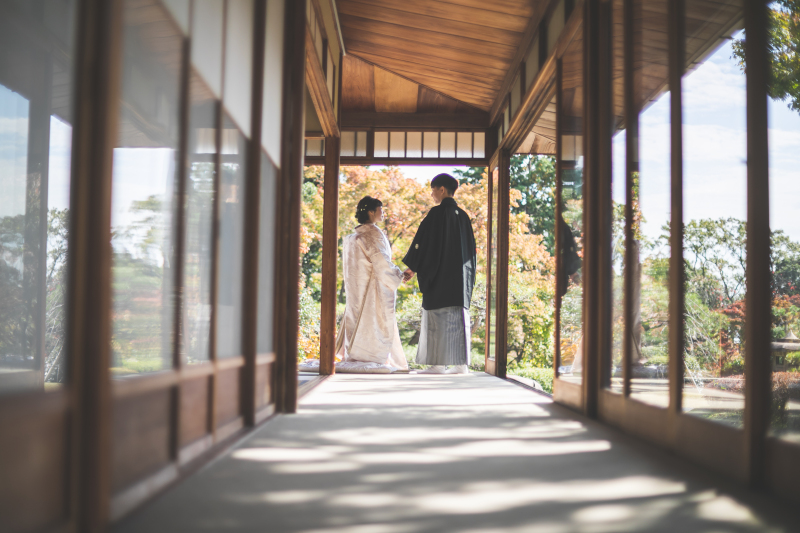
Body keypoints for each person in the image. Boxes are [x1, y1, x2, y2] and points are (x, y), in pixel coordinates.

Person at [402, 173, 477, 374]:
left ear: (442, 189)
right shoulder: (463, 216)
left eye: (433, 190)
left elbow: (424, 243)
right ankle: (461, 365)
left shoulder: (436, 214)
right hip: (460, 279)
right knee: (457, 319)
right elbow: (471, 251)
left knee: (437, 317)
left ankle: (437, 365)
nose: (432, 194)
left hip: (440, 275)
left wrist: (413, 266)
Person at [334, 196, 408, 370]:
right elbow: (381, 261)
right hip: (373, 286)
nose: (383, 213)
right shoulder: (372, 233)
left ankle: (354, 352)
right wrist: (398, 275)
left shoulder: (352, 237)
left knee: (355, 315)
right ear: (371, 212)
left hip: (355, 288)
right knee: (374, 318)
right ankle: (370, 355)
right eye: (381, 209)